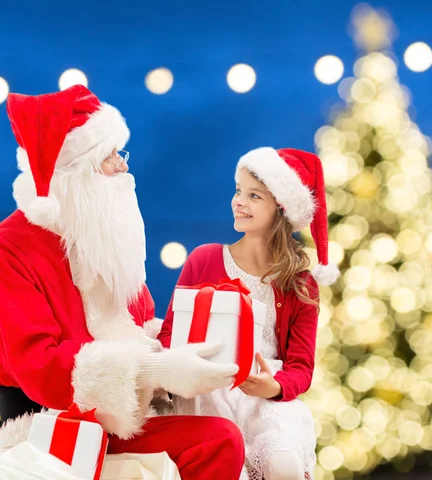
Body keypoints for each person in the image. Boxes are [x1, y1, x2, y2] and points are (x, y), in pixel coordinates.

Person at [0, 85, 244, 479]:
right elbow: (39, 368)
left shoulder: (102, 236)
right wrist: (155, 370)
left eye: (119, 153)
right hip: (50, 426)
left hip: (122, 418)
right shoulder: (10, 248)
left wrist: (209, 350)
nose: (123, 166)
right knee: (220, 440)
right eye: (109, 157)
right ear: (73, 174)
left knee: (223, 436)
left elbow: (144, 322)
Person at [158, 147, 340, 480]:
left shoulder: (301, 284)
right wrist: (180, 368)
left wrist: (272, 387)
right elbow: (169, 334)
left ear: (281, 208)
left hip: (264, 398)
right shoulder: (204, 259)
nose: (238, 201)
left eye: (253, 195)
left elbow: (301, 367)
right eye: (238, 191)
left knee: (282, 464)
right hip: (206, 393)